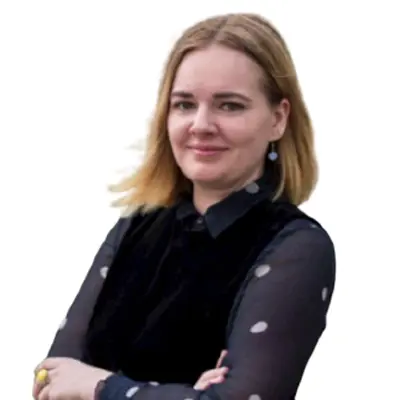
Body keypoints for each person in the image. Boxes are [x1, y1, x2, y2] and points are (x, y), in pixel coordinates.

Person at [33, 12, 336, 400]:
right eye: (184, 104)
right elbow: (49, 379)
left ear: (278, 119)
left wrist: (98, 385)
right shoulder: (135, 226)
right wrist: (183, 394)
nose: (201, 124)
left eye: (230, 105)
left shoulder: (296, 247)